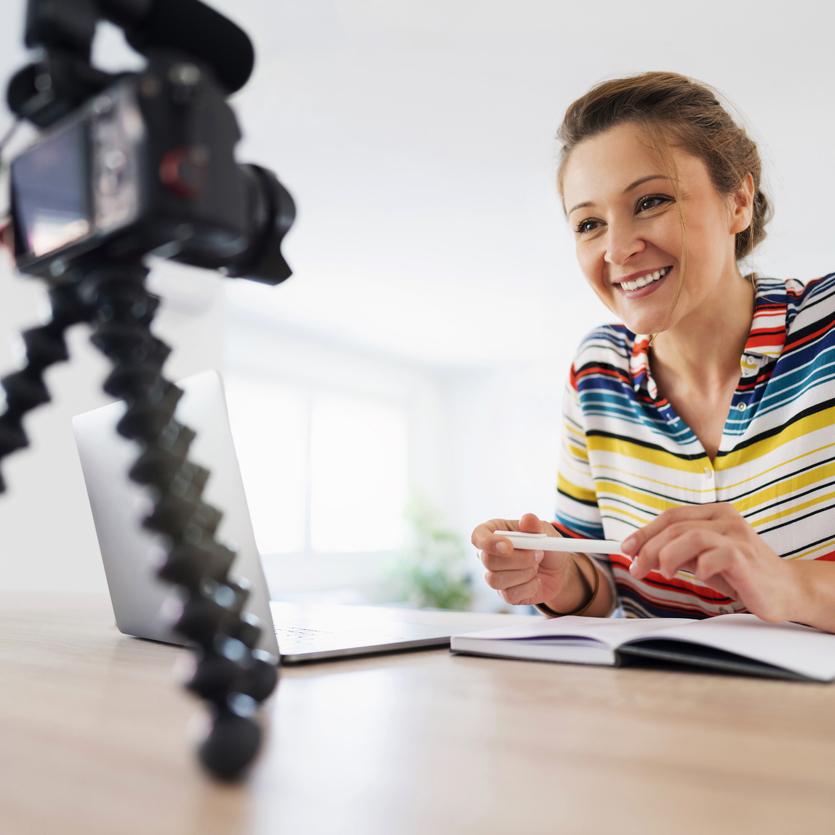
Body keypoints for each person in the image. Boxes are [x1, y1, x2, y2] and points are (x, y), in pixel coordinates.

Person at [471, 71, 835, 632]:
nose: (618, 249)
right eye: (589, 223)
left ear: (738, 201)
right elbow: (601, 580)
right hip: (655, 690)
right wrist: (559, 579)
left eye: (651, 201)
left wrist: (790, 585)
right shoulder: (598, 371)